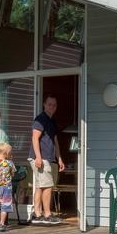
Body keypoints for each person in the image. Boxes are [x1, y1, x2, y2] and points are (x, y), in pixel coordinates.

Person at [29, 94, 66, 225]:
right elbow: (35, 138)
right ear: (44, 104)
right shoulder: (41, 119)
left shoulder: (51, 121)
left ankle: (37, 214)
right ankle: (47, 215)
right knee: (48, 186)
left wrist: (59, 159)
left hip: (48, 158)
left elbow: (55, 141)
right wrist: (38, 157)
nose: (52, 107)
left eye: (54, 105)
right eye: (49, 104)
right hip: (41, 158)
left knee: (40, 186)